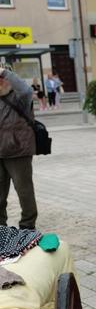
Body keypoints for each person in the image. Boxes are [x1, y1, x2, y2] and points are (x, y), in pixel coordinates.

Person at [0, 65, 38, 230]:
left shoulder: (20, 98)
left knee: (24, 191)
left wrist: (3, 72)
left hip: (18, 151)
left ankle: (27, 225)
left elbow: (26, 90)